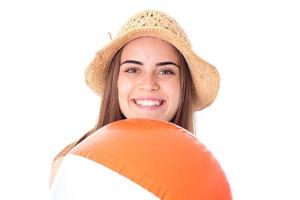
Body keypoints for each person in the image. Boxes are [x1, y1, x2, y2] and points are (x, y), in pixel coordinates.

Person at [49, 9, 220, 186]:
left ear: (183, 85)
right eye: (132, 70)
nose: (148, 84)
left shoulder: (203, 177)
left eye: (165, 71)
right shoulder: (72, 168)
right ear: (115, 81)